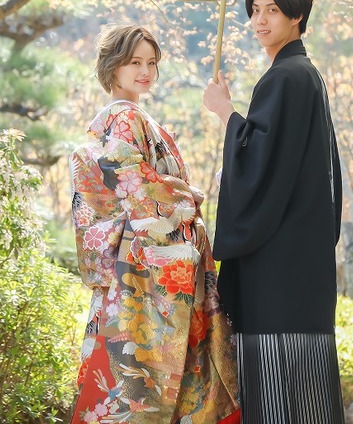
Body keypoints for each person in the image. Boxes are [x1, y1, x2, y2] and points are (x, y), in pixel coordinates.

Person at [69, 24, 240, 424]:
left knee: (126, 366)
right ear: (113, 66)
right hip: (146, 266)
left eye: (151, 63)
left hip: (136, 264)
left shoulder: (121, 117)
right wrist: (183, 195)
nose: (145, 71)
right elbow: (133, 182)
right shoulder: (125, 116)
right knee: (150, 368)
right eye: (135, 62)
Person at [202, 0, 345, 424]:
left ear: (297, 16)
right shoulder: (305, 75)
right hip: (301, 260)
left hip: (278, 264)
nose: (260, 20)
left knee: (277, 390)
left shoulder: (284, 78)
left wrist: (225, 111)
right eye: (255, 11)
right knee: (307, 394)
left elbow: (258, 164)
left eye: (273, 11)